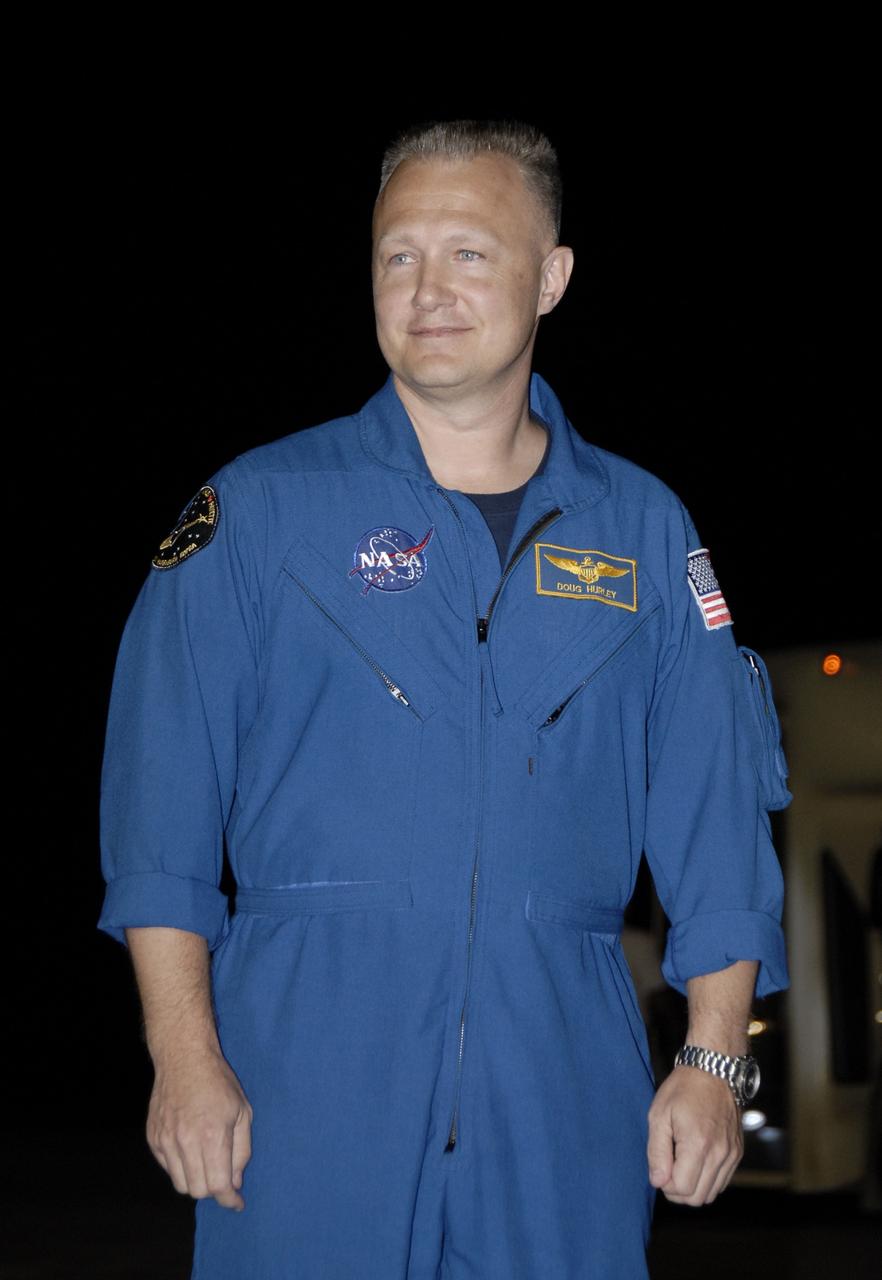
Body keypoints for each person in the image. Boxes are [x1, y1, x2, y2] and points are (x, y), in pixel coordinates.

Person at [97, 119, 791, 1279]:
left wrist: (714, 1061)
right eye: (397, 254)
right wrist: (184, 1054)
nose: (427, 288)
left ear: (551, 276)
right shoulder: (257, 512)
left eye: (469, 252)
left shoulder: (644, 531)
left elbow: (718, 822)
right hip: (300, 1089)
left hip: (562, 1093)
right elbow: (158, 809)